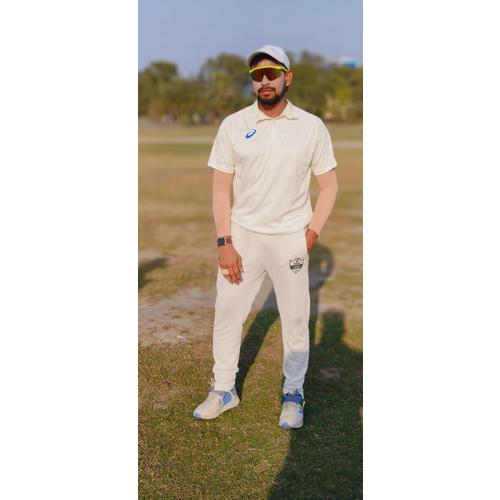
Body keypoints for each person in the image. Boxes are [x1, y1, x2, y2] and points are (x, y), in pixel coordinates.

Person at [193, 45, 338, 429]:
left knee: (294, 318)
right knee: (228, 313)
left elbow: (329, 186)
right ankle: (224, 389)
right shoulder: (233, 125)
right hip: (243, 237)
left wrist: (311, 232)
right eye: (257, 75)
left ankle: (293, 393)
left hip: (290, 238)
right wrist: (224, 242)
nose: (264, 81)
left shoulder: (311, 126)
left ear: (287, 77)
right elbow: (221, 188)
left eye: (271, 73)